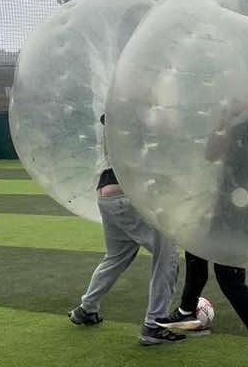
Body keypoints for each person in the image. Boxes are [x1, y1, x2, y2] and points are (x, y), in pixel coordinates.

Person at [156, 78, 248, 367]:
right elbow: (215, 153)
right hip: (232, 202)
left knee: (230, 279)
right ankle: (187, 310)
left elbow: (212, 150)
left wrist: (229, 116)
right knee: (197, 247)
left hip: (238, 209)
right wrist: (229, 117)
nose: (247, 92)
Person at [69, 114, 184, 346]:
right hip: (127, 196)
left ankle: (86, 308)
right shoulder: (136, 118)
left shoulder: (114, 119)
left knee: (116, 257)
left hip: (106, 195)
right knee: (167, 255)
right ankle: (154, 325)